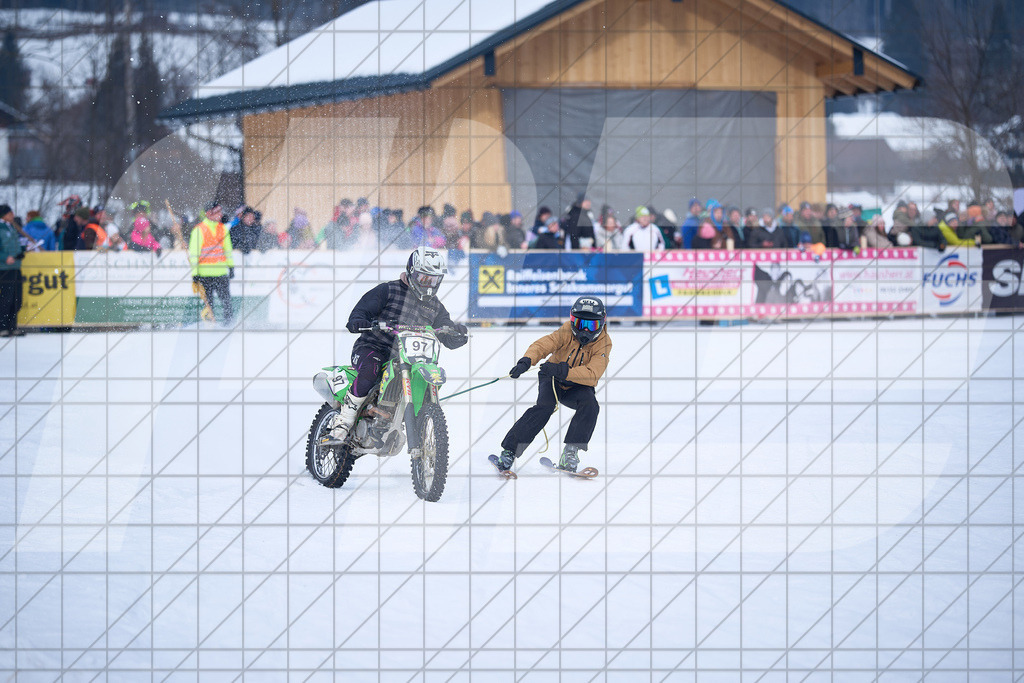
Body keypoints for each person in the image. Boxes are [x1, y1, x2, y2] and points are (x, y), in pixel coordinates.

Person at [326, 247, 469, 444]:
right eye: (423, 278)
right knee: (372, 367)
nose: (428, 284)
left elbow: (445, 330)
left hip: (410, 358)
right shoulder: (388, 290)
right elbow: (361, 311)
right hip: (373, 347)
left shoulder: (435, 305)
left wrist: (456, 334)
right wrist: (359, 321)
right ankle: (344, 421)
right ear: (411, 272)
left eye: (433, 280)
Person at [496, 296, 611, 473]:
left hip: (578, 384)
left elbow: (593, 374)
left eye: (592, 325)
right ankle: (509, 451)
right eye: (580, 324)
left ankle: (570, 452)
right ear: (572, 321)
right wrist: (526, 361)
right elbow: (544, 344)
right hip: (552, 377)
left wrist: (564, 371)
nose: (585, 330)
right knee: (545, 407)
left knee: (590, 405)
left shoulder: (603, 343)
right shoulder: (566, 331)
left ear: (601, 324)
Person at [188, 201, 235, 323]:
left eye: (220, 211)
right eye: (217, 212)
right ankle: (209, 326)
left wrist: (231, 267)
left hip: (221, 273)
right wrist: (195, 273)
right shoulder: (199, 230)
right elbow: (194, 254)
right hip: (205, 275)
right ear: (209, 213)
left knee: (227, 303)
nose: (220, 214)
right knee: (208, 305)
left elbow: (228, 250)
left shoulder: (223, 229)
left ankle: (229, 324)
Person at [0, 204, 26, 337]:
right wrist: (5, 257)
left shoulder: (12, 227)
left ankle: (12, 326)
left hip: (16, 266)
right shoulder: (1, 228)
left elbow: (16, 244)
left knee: (17, 298)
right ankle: (3, 327)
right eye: (10, 213)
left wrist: (22, 251)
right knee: (6, 298)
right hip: (5, 268)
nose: (12, 216)